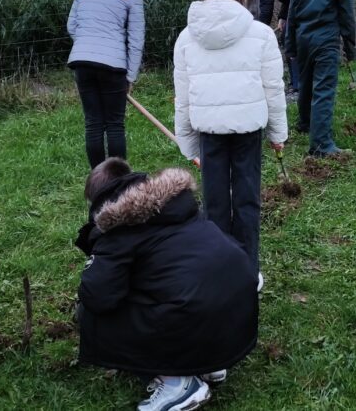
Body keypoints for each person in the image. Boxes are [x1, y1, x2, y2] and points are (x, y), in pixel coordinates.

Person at [75, 158, 257, 411]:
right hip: (238, 309)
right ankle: (209, 365)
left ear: (99, 203)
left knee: (90, 314)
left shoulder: (117, 230)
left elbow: (97, 296)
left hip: (200, 312)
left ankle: (178, 384)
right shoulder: (177, 205)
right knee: (177, 285)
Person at [174, 0, 287, 282]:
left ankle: (218, 274)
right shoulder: (262, 34)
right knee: (247, 200)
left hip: (208, 130)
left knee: (214, 203)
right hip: (248, 130)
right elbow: (273, 88)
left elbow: (182, 96)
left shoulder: (186, 38)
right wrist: (278, 133)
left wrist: (188, 142)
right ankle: (247, 273)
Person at [67, 0, 152, 168]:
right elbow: (136, 40)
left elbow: (72, 25)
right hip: (113, 67)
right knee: (115, 125)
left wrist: (88, 46)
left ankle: (98, 182)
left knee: (93, 124)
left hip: (82, 63)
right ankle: (118, 182)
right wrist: (130, 76)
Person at [285, 0, 356, 157]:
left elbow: (292, 14)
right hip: (326, 41)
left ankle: (305, 122)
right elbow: (347, 20)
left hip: (303, 38)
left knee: (306, 83)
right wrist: (350, 48)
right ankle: (321, 144)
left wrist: (290, 45)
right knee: (324, 89)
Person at [235, 0, 306, 97]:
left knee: (289, 39)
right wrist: (282, 17)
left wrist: (258, 33)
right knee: (288, 38)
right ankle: (297, 85)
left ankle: (298, 87)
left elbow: (266, 9)